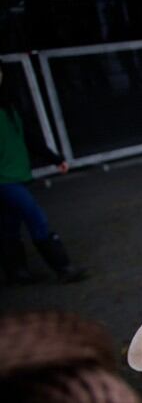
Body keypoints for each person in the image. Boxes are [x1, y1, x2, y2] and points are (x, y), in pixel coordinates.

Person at [0, 64, 87, 284]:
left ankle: (16, 273)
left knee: (10, 224)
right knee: (34, 216)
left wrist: (56, 159)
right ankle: (63, 267)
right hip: (5, 180)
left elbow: (28, 137)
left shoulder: (8, 108)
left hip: (15, 175)